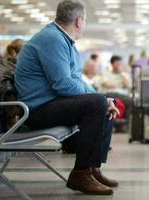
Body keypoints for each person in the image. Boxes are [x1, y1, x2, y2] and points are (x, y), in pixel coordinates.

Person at [15, 0, 119, 195]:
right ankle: (80, 174)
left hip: (51, 103)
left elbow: (75, 80)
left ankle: (92, 169)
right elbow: (62, 84)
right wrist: (100, 99)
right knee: (97, 102)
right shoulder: (52, 39)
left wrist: (105, 99)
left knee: (105, 101)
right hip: (36, 110)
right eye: (85, 21)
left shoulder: (63, 40)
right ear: (79, 21)